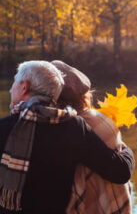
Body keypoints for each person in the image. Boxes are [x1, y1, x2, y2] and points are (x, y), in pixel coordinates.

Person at [0, 60, 135, 214]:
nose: (10, 89)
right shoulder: (74, 127)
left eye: (14, 82)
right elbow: (120, 172)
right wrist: (124, 148)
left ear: (24, 87)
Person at [51, 60, 132, 214]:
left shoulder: (72, 128)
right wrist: (128, 151)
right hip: (114, 206)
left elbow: (119, 170)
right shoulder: (101, 118)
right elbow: (120, 167)